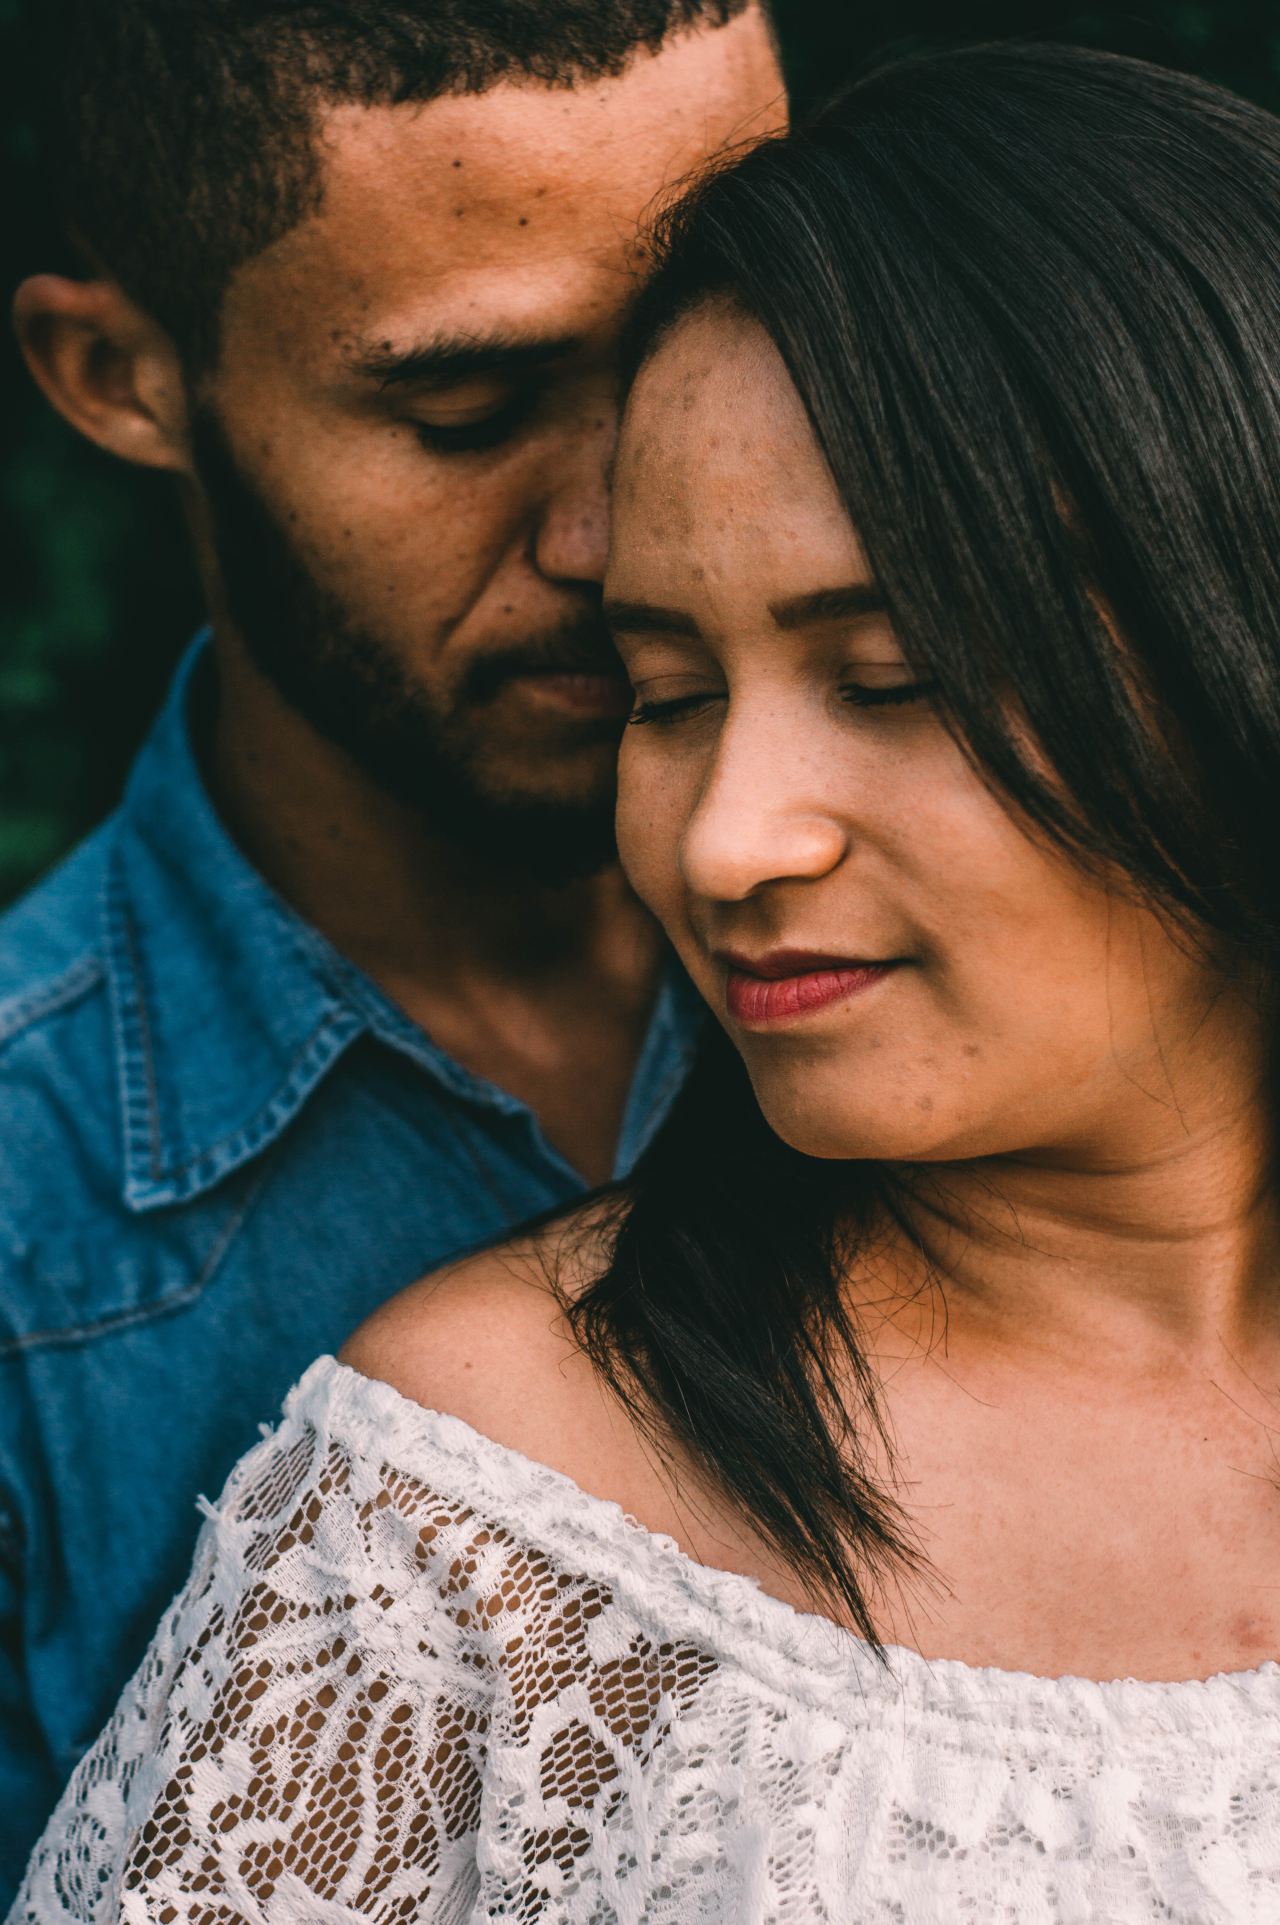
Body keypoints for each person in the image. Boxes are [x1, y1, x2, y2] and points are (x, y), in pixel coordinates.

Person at [13, 37, 1280, 1922]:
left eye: (890, 675)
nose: (720, 839)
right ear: (120, 379)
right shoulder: (437, 1471)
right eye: (467, 402)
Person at [0, 0, 784, 1894]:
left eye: (717, 339)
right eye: (466, 413)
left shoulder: (1113, 999)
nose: (623, 525)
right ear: (119, 375)